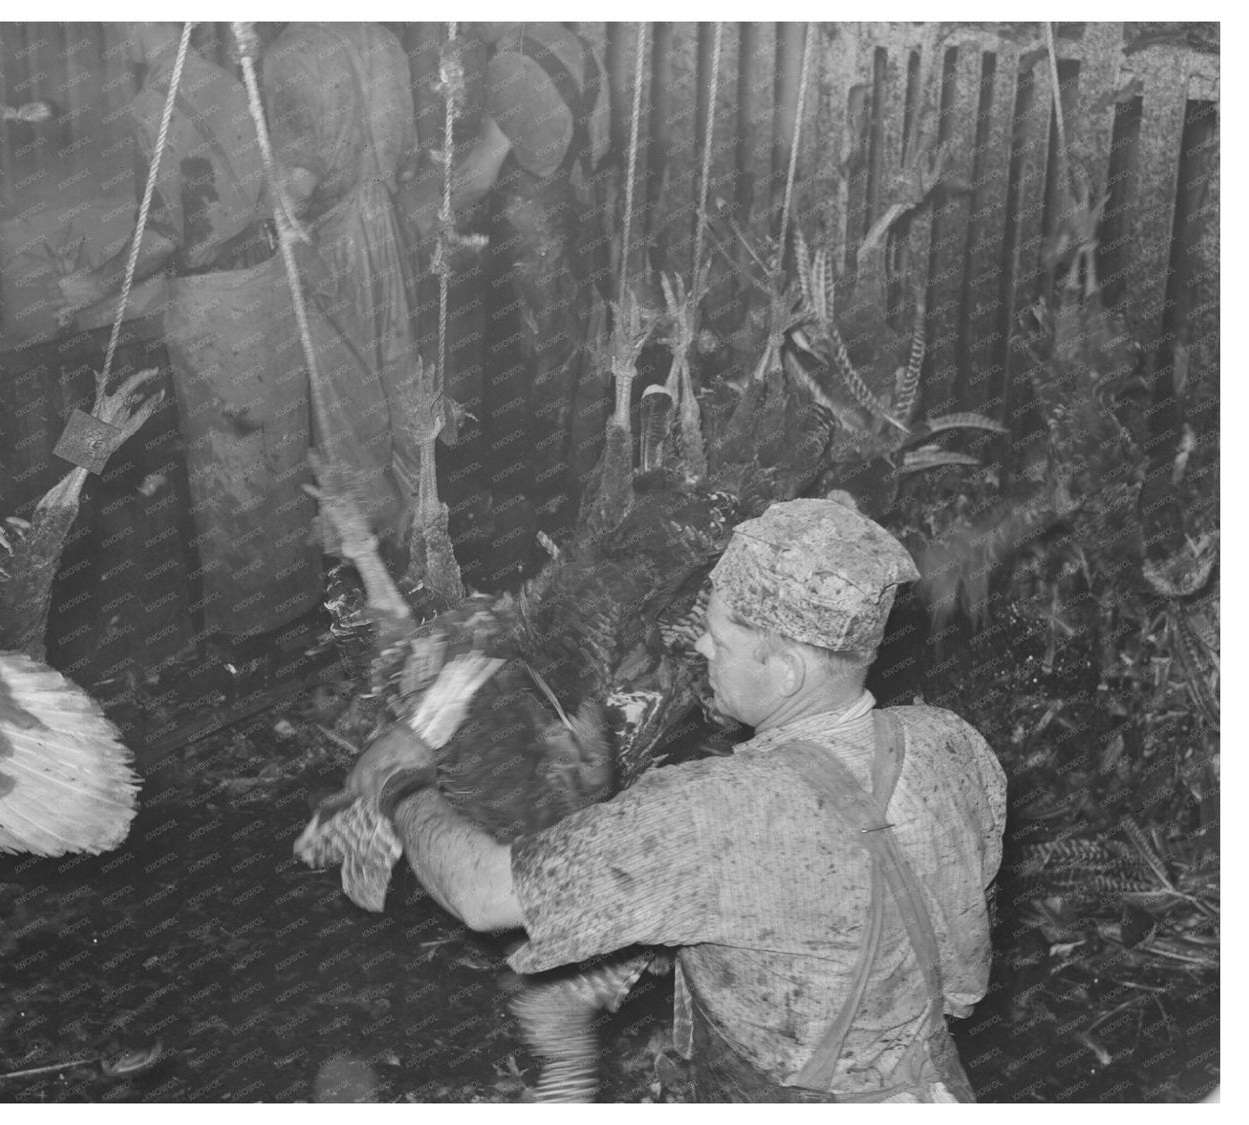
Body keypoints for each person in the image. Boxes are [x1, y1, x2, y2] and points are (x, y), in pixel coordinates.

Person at [346, 498, 1008, 1102]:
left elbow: (482, 892)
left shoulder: (708, 813)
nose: (700, 644)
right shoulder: (954, 744)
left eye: (721, 638)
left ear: (786, 670)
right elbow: (956, 955)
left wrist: (403, 784)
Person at [52, 22, 320, 644]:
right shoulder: (229, 82)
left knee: (231, 466)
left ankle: (247, 629)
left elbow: (170, 232)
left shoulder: (155, 105)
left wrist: (93, 285)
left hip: (218, 308)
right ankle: (296, 604)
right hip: (268, 288)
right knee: (278, 453)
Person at [407, 23, 610, 580]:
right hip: (581, 225)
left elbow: (477, 177)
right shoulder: (577, 47)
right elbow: (595, 146)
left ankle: (516, 534)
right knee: (566, 366)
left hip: (529, 242)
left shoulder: (511, 64)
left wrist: (417, 212)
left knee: (521, 377)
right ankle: (563, 508)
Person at [261, 22, 424, 542]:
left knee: (345, 395)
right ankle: (419, 525)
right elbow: (409, 159)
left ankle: (360, 546)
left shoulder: (289, 52)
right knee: (400, 373)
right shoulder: (385, 41)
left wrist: (274, 219)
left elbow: (298, 181)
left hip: (333, 240)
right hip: (390, 227)